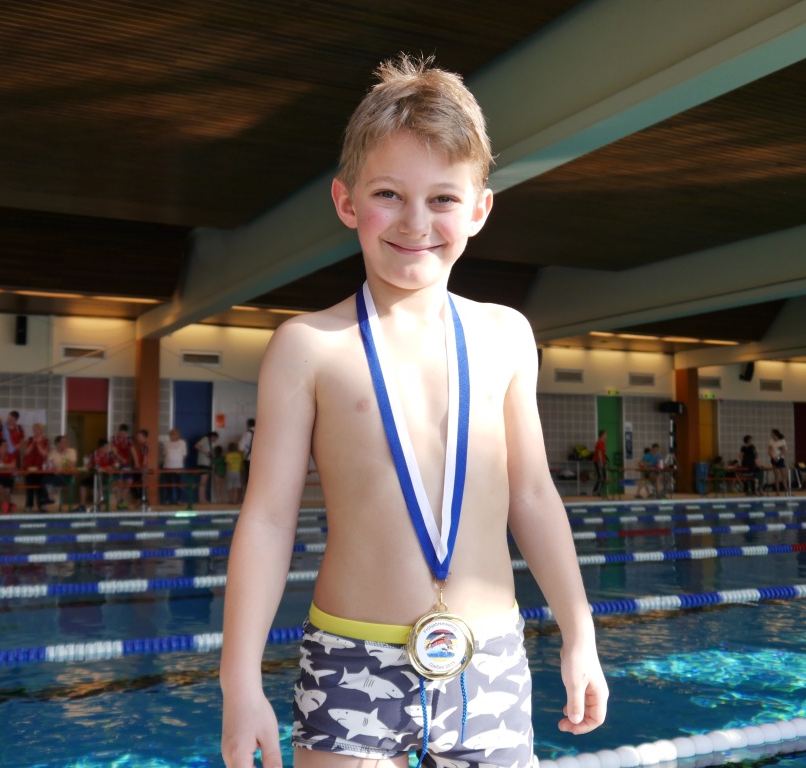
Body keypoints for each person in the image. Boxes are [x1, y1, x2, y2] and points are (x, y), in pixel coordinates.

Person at [219, 55, 607, 768]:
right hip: (349, 655)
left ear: (480, 209)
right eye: (388, 194)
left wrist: (578, 630)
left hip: (488, 655)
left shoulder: (505, 335)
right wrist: (237, 680)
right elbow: (269, 518)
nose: (415, 222)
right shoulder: (309, 347)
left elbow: (531, 494)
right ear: (347, 203)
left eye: (443, 199)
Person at [21, 422, 51, 512]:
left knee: (39, 487)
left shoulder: (45, 441)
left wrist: (38, 444)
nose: (35, 432)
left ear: (41, 430)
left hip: (40, 467)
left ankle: (41, 505)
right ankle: (29, 505)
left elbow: (44, 453)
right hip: (29, 467)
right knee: (30, 487)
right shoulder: (30, 440)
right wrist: (33, 443)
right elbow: (26, 452)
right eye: (34, 430)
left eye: (37, 430)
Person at [78, 439, 114, 512]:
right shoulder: (94, 454)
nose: (107, 449)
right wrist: (87, 467)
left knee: (96, 487)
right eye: (106, 447)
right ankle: (82, 506)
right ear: (100, 448)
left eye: (108, 447)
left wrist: (103, 468)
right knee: (82, 484)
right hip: (94, 476)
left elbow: (113, 466)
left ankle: (97, 506)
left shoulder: (110, 455)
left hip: (104, 477)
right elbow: (89, 465)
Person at [47, 435, 78, 509]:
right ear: (57, 444)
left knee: (47, 481)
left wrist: (64, 456)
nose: (66, 444)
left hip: (67, 475)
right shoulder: (52, 452)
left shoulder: (71, 451)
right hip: (55, 475)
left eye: (66, 442)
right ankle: (47, 499)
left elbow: (72, 466)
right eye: (63, 442)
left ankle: (50, 496)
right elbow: (49, 465)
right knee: (45, 479)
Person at [110, 423, 136, 510]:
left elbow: (133, 450)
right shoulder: (114, 438)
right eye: (122, 433)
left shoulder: (128, 439)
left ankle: (122, 499)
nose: (124, 435)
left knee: (129, 481)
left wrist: (136, 462)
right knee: (119, 482)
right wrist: (121, 458)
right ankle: (119, 502)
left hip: (126, 463)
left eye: (125, 433)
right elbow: (114, 451)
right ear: (119, 431)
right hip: (117, 463)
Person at [160, 428, 188, 505]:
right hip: (167, 467)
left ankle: (179, 500)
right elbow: (164, 454)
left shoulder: (182, 443)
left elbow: (184, 455)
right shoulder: (167, 443)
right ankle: (168, 500)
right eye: (171, 435)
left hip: (178, 467)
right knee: (168, 484)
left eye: (174, 435)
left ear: (178, 435)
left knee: (179, 484)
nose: (172, 437)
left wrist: (180, 465)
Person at [194, 431, 219, 503]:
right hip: (203, 464)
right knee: (203, 482)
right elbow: (196, 446)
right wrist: (206, 453)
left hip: (207, 464)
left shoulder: (209, 443)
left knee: (204, 482)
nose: (215, 440)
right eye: (215, 438)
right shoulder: (205, 439)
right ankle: (201, 499)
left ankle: (202, 498)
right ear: (213, 436)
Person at [768, 428, 788, 495]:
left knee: (783, 475)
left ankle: (787, 491)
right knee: (776, 476)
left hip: (780, 459)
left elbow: (783, 451)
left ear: (776, 434)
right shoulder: (771, 441)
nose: (772, 436)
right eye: (771, 434)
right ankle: (777, 492)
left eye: (773, 434)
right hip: (774, 459)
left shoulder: (782, 440)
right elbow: (770, 451)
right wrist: (773, 457)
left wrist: (778, 457)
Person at [237, 418, 255, 490]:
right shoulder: (261, 433)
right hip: (259, 459)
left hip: (248, 458)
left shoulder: (246, 433)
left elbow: (240, 447)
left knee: (248, 477)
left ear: (247, 425)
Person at [591, 429, 608, 496]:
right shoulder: (600, 442)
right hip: (598, 461)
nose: (606, 436)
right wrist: (601, 462)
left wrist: (605, 460)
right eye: (605, 434)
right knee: (601, 476)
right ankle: (596, 491)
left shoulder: (602, 443)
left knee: (603, 476)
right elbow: (599, 453)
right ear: (602, 435)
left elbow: (602, 453)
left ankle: (597, 491)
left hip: (600, 460)